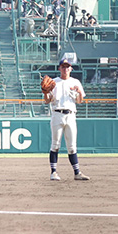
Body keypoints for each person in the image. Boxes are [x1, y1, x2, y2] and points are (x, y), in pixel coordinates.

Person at [43, 52, 89, 181]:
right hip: (57, 114)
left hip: (71, 115)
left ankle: (77, 173)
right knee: (55, 145)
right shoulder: (54, 82)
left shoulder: (76, 82)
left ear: (71, 68)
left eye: (67, 66)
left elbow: (79, 101)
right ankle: (53, 172)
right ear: (59, 68)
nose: (65, 68)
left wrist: (79, 91)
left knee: (72, 146)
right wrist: (45, 93)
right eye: (63, 66)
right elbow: (47, 101)